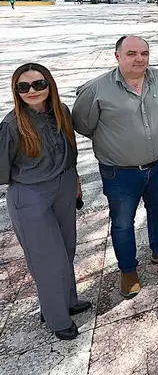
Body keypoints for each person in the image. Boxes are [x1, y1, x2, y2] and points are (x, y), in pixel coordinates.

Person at [72, 35, 158, 299]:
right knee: (123, 223)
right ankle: (128, 269)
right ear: (117, 56)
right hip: (120, 173)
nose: (139, 59)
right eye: (132, 53)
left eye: (144, 53)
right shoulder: (97, 89)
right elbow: (83, 124)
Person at [1, 63, 90, 340]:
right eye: (23, 86)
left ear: (49, 84)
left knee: (66, 250)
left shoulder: (61, 111)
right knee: (47, 260)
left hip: (63, 186)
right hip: (31, 195)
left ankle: (67, 301)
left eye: (38, 84)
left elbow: (70, 147)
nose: (32, 91)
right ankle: (56, 318)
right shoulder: (12, 125)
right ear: (16, 91)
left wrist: (73, 180)